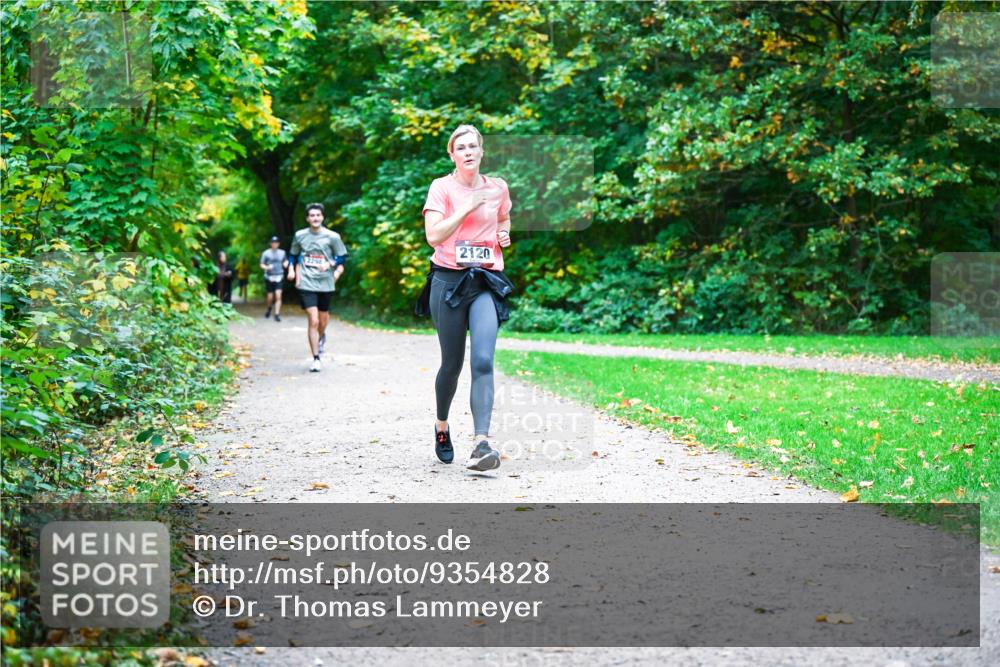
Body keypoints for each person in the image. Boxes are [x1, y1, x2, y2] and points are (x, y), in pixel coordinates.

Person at [416, 124, 513, 471]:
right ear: (452, 155)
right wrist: (467, 207)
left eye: (474, 146)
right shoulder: (441, 188)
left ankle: (481, 443)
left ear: (482, 151)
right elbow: (433, 235)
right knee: (452, 364)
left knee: (484, 360)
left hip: (485, 280)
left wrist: (503, 233)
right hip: (448, 282)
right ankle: (442, 425)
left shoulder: (497, 187)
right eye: (462, 148)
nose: (469, 152)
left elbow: (504, 217)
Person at [287, 203, 348, 372]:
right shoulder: (300, 235)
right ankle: (316, 358)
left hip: (326, 283)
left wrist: (330, 264)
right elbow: (292, 255)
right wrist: (291, 268)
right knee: (312, 320)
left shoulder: (332, 237)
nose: (315, 218)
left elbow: (342, 257)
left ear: (322, 217)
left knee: (322, 320)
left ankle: (321, 337)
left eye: (318, 215)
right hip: (307, 282)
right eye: (312, 215)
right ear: (307, 218)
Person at [259, 235, 288, 321]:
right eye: (273, 243)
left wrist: (286, 264)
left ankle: (277, 314)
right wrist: (267, 267)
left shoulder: (282, 252)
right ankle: (269, 308)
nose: (274, 244)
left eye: (276, 243)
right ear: (270, 243)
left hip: (279, 275)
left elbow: (285, 261)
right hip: (269, 276)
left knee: (278, 295)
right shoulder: (266, 253)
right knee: (270, 297)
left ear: (278, 244)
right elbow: (261, 264)